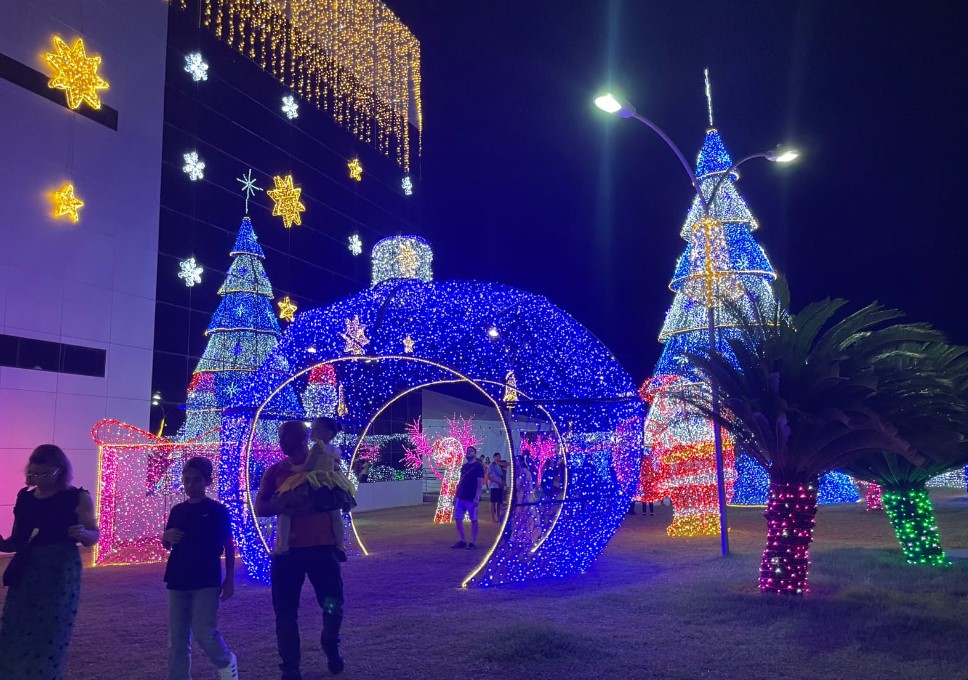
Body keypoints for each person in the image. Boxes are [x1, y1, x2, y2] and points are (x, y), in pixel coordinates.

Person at [0, 445, 99, 679]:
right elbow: (16, 540)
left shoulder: (77, 497)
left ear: (60, 471)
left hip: (60, 570)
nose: (40, 479)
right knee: (16, 628)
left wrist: (83, 534)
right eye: (35, 473)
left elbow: (93, 536)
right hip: (28, 568)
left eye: (46, 474)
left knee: (50, 632)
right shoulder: (25, 497)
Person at [256, 421, 345, 679]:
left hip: (322, 549)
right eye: (280, 437)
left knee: (333, 605)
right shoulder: (275, 471)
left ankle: (330, 641)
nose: (282, 442)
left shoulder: (324, 464)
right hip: (287, 555)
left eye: (287, 437)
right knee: (285, 612)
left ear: (304, 437)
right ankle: (290, 667)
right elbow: (261, 508)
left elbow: (340, 496)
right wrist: (285, 503)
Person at [162, 457, 239, 680]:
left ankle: (225, 660)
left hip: (206, 578)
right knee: (177, 639)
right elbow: (168, 542)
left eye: (196, 480)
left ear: (207, 482)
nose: (190, 485)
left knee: (204, 631)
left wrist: (230, 579)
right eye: (186, 480)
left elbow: (228, 545)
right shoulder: (177, 510)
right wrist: (166, 537)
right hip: (178, 577)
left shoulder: (217, 510)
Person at [273, 417, 356, 561]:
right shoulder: (334, 449)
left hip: (314, 480)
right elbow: (335, 466)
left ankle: (283, 546)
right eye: (313, 427)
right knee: (335, 516)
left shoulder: (317, 447)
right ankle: (340, 545)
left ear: (329, 433)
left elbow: (307, 467)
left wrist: (291, 467)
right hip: (331, 483)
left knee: (285, 510)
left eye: (317, 428)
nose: (313, 431)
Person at [451, 446, 485, 549]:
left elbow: (480, 482)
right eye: (467, 451)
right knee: (457, 518)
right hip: (461, 497)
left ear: (475, 454)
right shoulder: (464, 467)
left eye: (471, 451)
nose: (468, 452)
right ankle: (462, 540)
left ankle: (473, 542)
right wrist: (456, 495)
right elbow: (460, 481)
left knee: (473, 519)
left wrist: (477, 497)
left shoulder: (478, 466)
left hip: (471, 498)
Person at [487, 452, 507, 523]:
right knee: (493, 502)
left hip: (499, 487)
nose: (499, 458)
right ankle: (493, 518)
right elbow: (488, 476)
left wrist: (502, 483)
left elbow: (501, 476)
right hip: (493, 486)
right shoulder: (491, 465)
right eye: (498, 457)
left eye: (500, 457)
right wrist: (496, 481)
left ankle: (498, 517)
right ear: (494, 457)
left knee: (499, 502)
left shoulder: (498, 466)